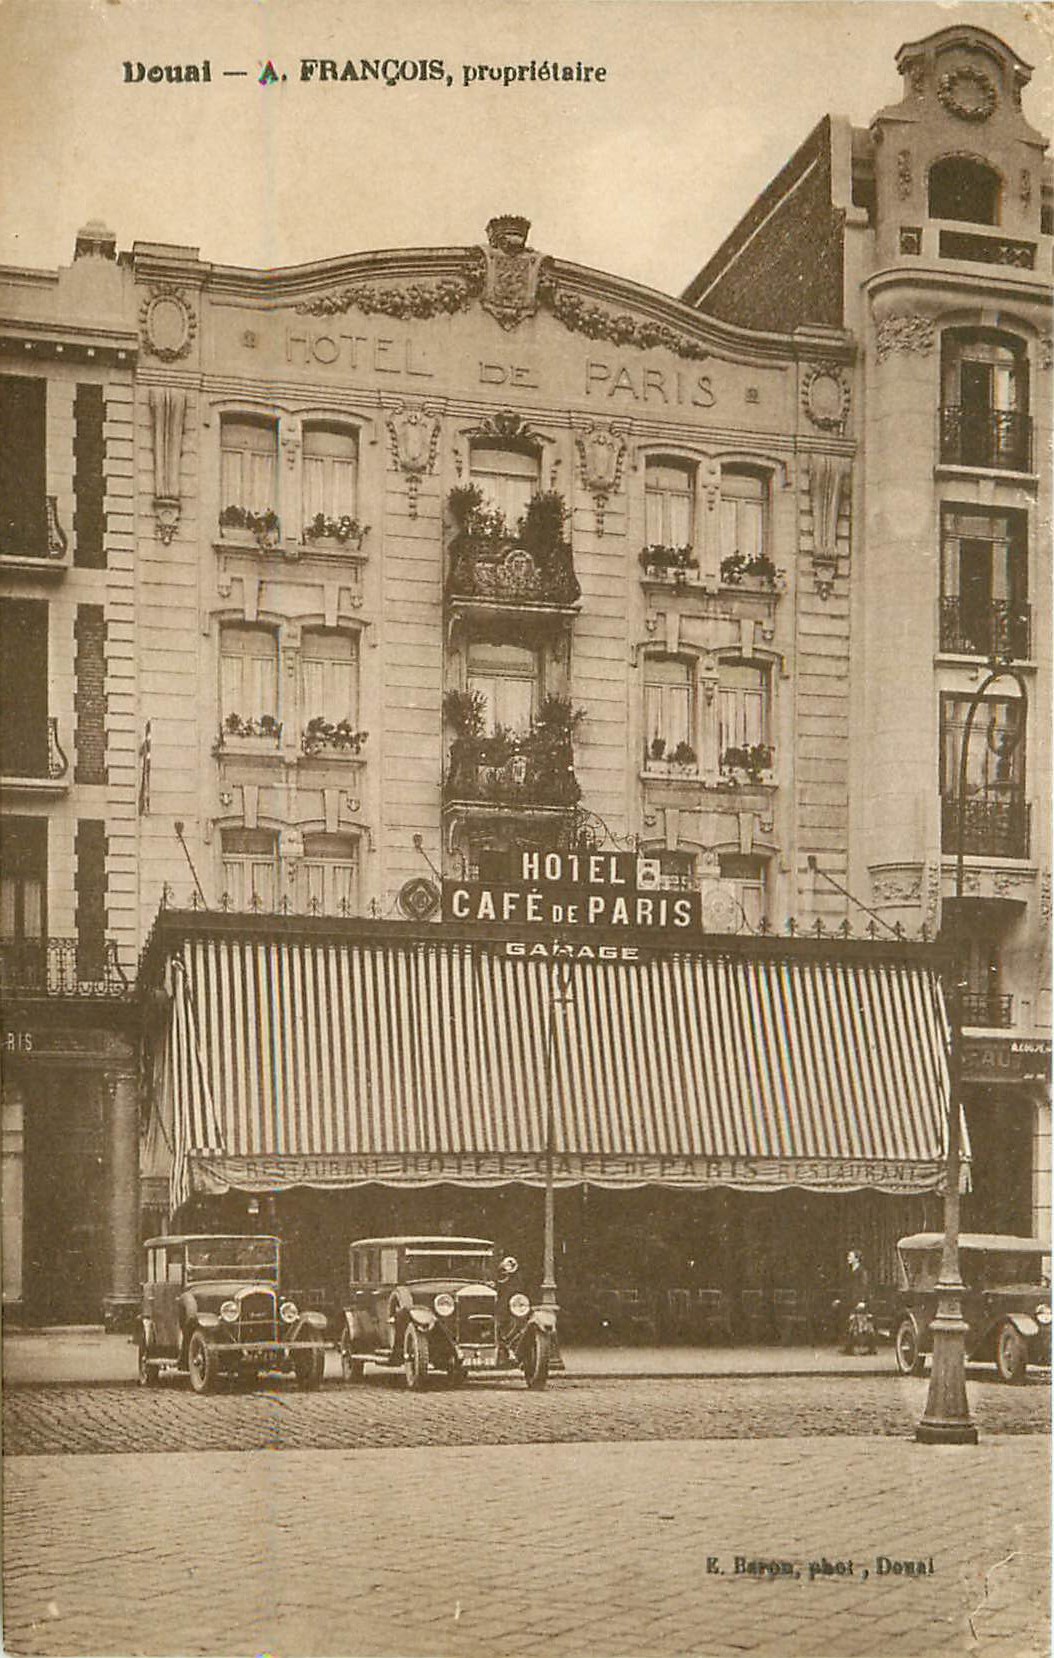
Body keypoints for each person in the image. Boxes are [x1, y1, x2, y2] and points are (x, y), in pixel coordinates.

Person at [839, 1249, 876, 1355]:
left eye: (850, 1256)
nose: (848, 1258)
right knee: (854, 1323)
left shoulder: (862, 1271)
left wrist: (863, 1301)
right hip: (853, 1300)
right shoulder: (852, 1270)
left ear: (856, 1259)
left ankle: (871, 1347)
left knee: (863, 1324)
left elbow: (865, 1287)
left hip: (860, 1300)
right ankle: (849, 1347)